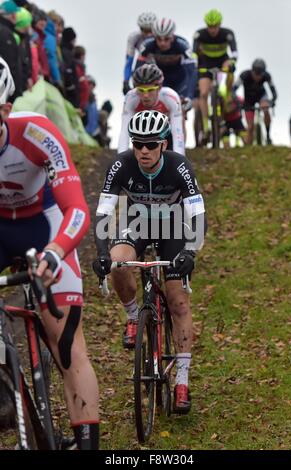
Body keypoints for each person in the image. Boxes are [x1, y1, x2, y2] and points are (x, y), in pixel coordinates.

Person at [0, 59, 99, 449]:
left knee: (67, 345)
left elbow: (76, 209)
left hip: (43, 226)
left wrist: (56, 253)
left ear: (5, 110)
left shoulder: (37, 134)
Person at [93, 110, 206, 413]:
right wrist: (102, 252)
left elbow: (197, 214)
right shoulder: (121, 164)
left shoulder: (179, 166)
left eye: (150, 144)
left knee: (178, 301)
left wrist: (190, 253)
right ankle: (133, 316)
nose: (143, 150)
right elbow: (104, 211)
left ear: (163, 145)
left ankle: (182, 380)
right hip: (138, 224)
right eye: (138, 143)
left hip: (173, 228)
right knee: (117, 264)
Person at [118, 63, 185, 155]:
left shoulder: (171, 97)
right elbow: (124, 131)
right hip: (141, 133)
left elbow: (177, 133)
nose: (146, 95)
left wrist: (180, 158)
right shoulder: (131, 98)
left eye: (150, 90)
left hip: (165, 133)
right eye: (141, 90)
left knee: (169, 155)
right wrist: (121, 158)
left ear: (159, 88)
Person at [193, 9, 238, 143]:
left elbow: (234, 52)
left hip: (222, 62)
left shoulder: (227, 34)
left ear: (219, 24)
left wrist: (233, 63)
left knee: (228, 67)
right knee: (203, 93)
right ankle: (206, 127)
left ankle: (226, 93)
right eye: (210, 26)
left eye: (215, 26)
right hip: (206, 63)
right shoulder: (199, 34)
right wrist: (195, 65)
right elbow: (194, 53)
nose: (212, 30)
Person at [136, 18, 197, 117]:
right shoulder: (148, 45)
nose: (162, 43)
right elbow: (138, 70)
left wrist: (189, 96)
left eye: (166, 39)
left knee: (180, 111)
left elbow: (192, 72)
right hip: (162, 80)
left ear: (172, 36)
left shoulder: (183, 45)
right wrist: (136, 90)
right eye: (159, 39)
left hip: (180, 81)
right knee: (157, 111)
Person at [233, 59, 277, 145]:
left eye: (260, 75)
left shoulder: (267, 76)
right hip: (248, 101)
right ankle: (248, 147)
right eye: (256, 74)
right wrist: (237, 101)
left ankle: (268, 135)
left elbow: (273, 91)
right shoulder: (244, 75)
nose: (258, 77)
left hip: (261, 96)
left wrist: (272, 101)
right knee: (250, 127)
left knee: (265, 107)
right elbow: (233, 89)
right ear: (252, 71)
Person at [123, 12, 156, 95]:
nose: (148, 34)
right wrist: (126, 81)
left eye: (150, 30)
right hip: (142, 61)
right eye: (145, 30)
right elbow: (129, 61)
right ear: (140, 28)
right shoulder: (134, 37)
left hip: (158, 62)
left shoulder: (160, 37)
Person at [0, 0, 23, 101]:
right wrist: (14, 90)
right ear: (13, 15)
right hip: (5, 89)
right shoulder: (6, 33)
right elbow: (9, 63)